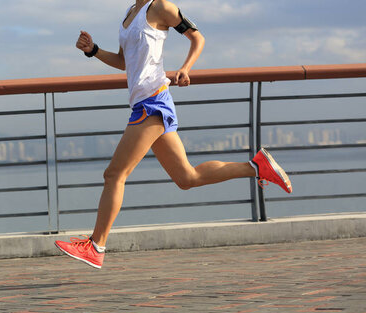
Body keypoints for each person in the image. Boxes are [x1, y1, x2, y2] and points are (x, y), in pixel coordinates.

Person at [55, 0, 292, 269]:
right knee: (186, 178)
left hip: (153, 102)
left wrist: (186, 68)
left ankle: (96, 246)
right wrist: (93, 51)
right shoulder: (130, 14)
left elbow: (197, 38)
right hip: (143, 103)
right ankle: (256, 167)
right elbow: (124, 62)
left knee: (114, 174)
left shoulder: (161, 7)